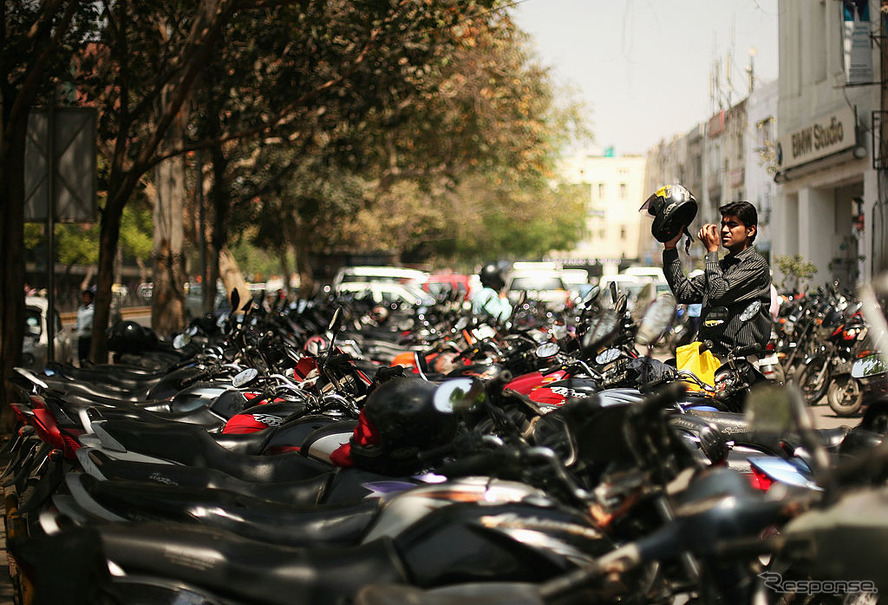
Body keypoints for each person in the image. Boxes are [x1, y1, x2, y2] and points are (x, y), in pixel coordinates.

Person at [662, 200, 772, 360]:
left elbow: (718, 293)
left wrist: (712, 251)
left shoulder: (755, 264)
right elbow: (683, 293)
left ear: (750, 230)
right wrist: (670, 248)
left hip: (738, 363)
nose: (725, 230)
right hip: (710, 357)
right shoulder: (720, 266)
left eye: (733, 225)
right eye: (723, 224)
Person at [74, 289, 95, 366]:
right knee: (81, 357)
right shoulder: (80, 309)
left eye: (87, 297)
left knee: (88, 357)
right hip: (81, 336)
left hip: (89, 337)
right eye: (84, 297)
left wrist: (90, 327)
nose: (85, 299)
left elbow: (95, 322)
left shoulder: (93, 309)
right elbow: (79, 321)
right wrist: (75, 327)